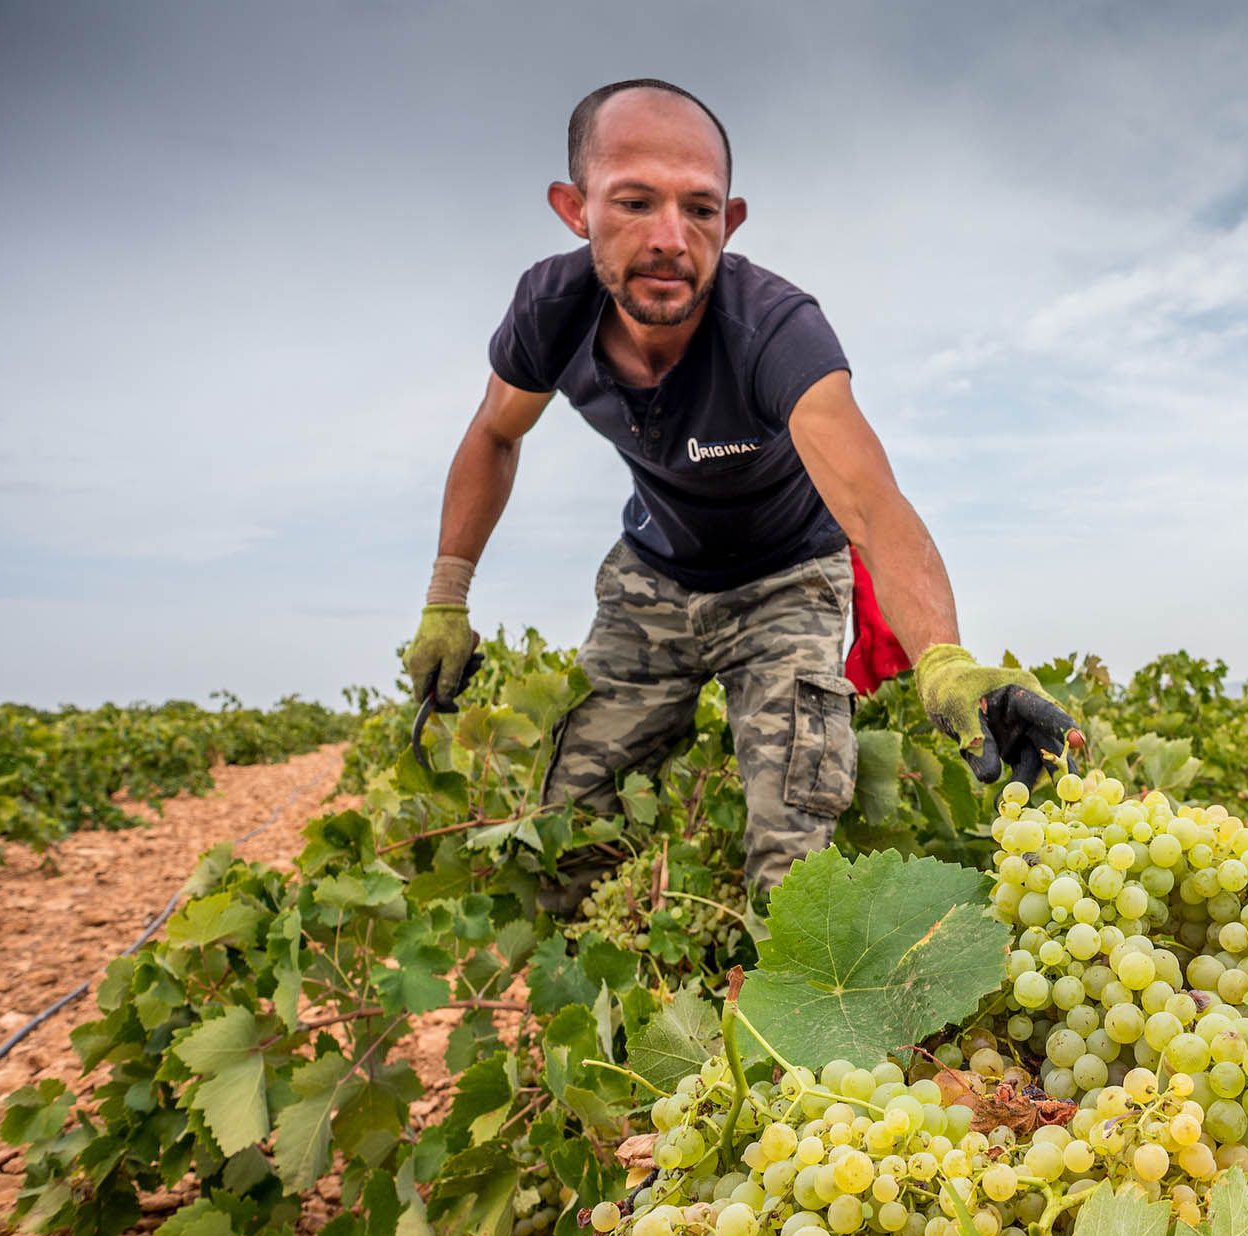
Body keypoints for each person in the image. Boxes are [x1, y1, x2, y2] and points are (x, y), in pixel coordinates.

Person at [402, 79, 1073, 902]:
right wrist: (447, 596)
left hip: (788, 582)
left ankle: (775, 1012)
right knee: (569, 827)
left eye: (701, 209)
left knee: (794, 869)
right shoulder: (551, 310)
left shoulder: (775, 329)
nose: (670, 239)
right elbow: (494, 432)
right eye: (635, 202)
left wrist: (943, 661)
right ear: (574, 209)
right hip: (652, 577)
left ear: (734, 219)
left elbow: (869, 501)